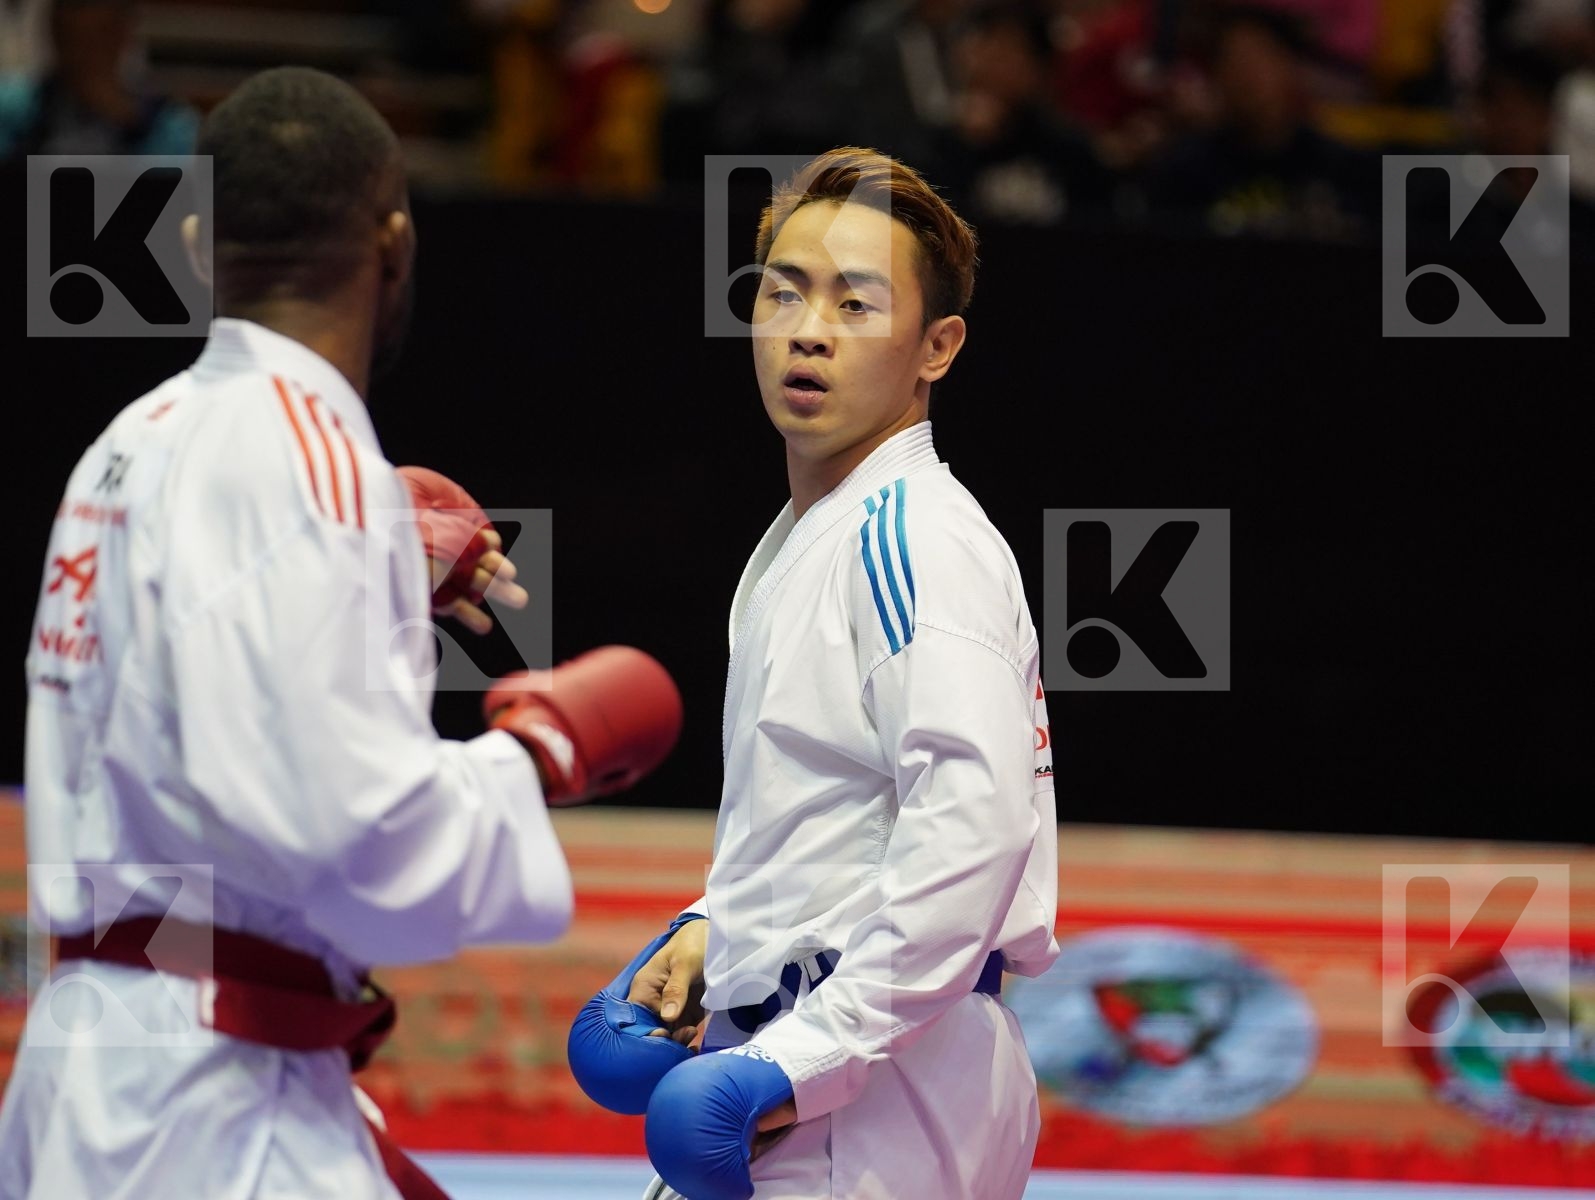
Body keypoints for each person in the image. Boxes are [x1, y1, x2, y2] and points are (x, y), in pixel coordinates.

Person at [0, 65, 681, 1200]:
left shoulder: (135, 438)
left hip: (113, 1067)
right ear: (394, 241)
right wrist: (532, 755)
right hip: (211, 1107)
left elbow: (185, 703)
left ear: (197, 240)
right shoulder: (305, 452)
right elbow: (350, 844)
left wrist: (365, 585)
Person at [569, 147, 1059, 1200]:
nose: (807, 328)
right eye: (782, 292)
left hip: (876, 1084)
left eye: (853, 302)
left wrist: (803, 1059)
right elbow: (832, 808)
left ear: (938, 347)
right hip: (829, 1053)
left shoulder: (909, 539)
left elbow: (973, 831)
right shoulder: (812, 537)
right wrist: (715, 927)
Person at [0, 0, 195, 166]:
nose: (82, 56)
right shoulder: (13, 108)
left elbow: (176, 200)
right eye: (71, 39)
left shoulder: (168, 124)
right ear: (53, 30)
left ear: (123, 34)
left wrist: (128, 123)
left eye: (97, 39)